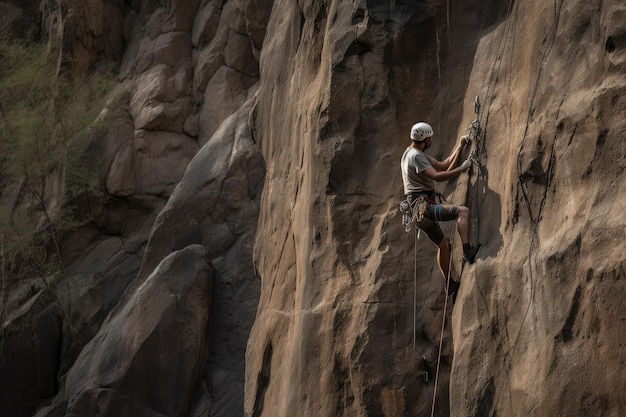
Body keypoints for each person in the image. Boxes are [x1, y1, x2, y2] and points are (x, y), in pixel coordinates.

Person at [401, 121, 480, 295]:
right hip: (424, 207)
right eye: (430, 138)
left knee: (443, 245)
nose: (431, 141)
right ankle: (467, 251)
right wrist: (463, 168)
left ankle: (449, 282)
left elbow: (444, 166)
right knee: (462, 212)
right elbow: (439, 176)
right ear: (426, 139)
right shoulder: (417, 157)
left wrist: (459, 148)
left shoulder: (410, 153)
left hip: (418, 210)